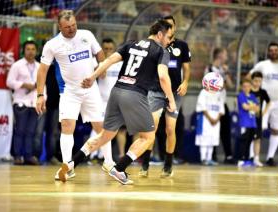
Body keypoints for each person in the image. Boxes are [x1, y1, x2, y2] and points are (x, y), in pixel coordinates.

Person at [55, 19, 176, 185]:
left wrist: (92, 76)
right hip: (135, 94)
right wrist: (171, 100)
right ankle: (120, 169)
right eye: (169, 37)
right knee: (148, 137)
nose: (170, 41)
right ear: (160, 34)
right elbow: (163, 76)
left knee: (105, 135)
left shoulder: (131, 44)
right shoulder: (161, 51)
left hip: (117, 91)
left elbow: (109, 60)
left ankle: (71, 164)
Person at [35, 10, 115, 180]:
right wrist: (40, 95)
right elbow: (42, 71)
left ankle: (108, 162)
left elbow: (100, 53)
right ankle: (67, 166)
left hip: (91, 90)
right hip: (69, 92)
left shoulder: (86, 35)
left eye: (74, 25)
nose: (72, 29)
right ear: (59, 26)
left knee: (101, 127)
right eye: (67, 27)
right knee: (66, 127)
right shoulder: (52, 45)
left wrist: (101, 69)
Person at [139, 15, 191, 178]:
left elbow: (187, 68)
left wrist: (186, 83)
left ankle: (168, 165)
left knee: (170, 129)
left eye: (171, 25)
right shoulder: (154, 45)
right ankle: (145, 165)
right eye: (165, 26)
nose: (168, 28)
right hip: (155, 90)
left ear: (174, 28)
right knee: (150, 128)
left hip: (175, 93)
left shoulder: (181, 45)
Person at [247, 42, 278, 166]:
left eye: (276, 50)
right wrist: (253, 94)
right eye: (271, 50)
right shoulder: (262, 65)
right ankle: (253, 156)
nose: (274, 52)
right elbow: (248, 77)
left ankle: (270, 157)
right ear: (268, 52)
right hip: (263, 102)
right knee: (257, 129)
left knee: (276, 130)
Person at [89, 38, 124, 162]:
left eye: (110, 49)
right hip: (101, 101)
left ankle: (102, 156)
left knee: (110, 130)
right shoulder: (96, 62)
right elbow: (96, 75)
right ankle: (91, 155)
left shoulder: (120, 63)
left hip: (116, 102)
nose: (108, 51)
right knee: (98, 128)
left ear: (114, 50)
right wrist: (102, 64)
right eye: (106, 49)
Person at [6, 40, 40, 165]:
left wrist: (44, 100)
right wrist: (23, 84)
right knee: (20, 130)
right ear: (23, 51)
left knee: (31, 131)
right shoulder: (17, 65)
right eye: (28, 49)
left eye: (33, 49)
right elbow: (9, 82)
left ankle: (28, 156)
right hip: (21, 102)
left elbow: (43, 86)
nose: (30, 52)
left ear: (36, 51)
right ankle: (17, 155)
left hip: (34, 103)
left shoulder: (39, 66)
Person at [206, 47, 234, 164]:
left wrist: (226, 73)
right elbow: (210, 86)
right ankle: (211, 156)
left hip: (222, 103)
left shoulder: (223, 69)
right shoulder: (209, 69)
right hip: (212, 104)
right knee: (212, 130)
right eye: (225, 54)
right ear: (219, 56)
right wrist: (221, 84)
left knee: (225, 130)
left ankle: (228, 156)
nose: (226, 57)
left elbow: (231, 85)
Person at [195, 88, 224, 166]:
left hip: (216, 121)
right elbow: (202, 107)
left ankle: (209, 158)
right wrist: (210, 119)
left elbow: (221, 109)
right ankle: (203, 158)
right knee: (204, 139)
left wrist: (216, 119)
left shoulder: (219, 93)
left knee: (212, 140)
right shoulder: (203, 92)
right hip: (205, 119)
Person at [249, 71, 270, 167]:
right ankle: (248, 157)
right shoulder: (248, 91)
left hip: (258, 118)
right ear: (252, 80)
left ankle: (256, 158)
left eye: (259, 81)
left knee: (257, 139)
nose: (257, 83)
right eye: (255, 80)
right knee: (248, 138)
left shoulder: (263, 92)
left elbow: (269, 102)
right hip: (248, 118)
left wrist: (264, 112)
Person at [237, 79, 259, 167]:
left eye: (248, 86)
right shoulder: (241, 96)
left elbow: (258, 109)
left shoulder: (253, 96)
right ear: (242, 87)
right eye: (244, 86)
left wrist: (251, 107)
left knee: (250, 141)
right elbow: (245, 107)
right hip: (244, 123)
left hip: (252, 123)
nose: (246, 88)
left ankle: (247, 159)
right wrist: (253, 106)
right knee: (243, 141)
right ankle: (241, 159)